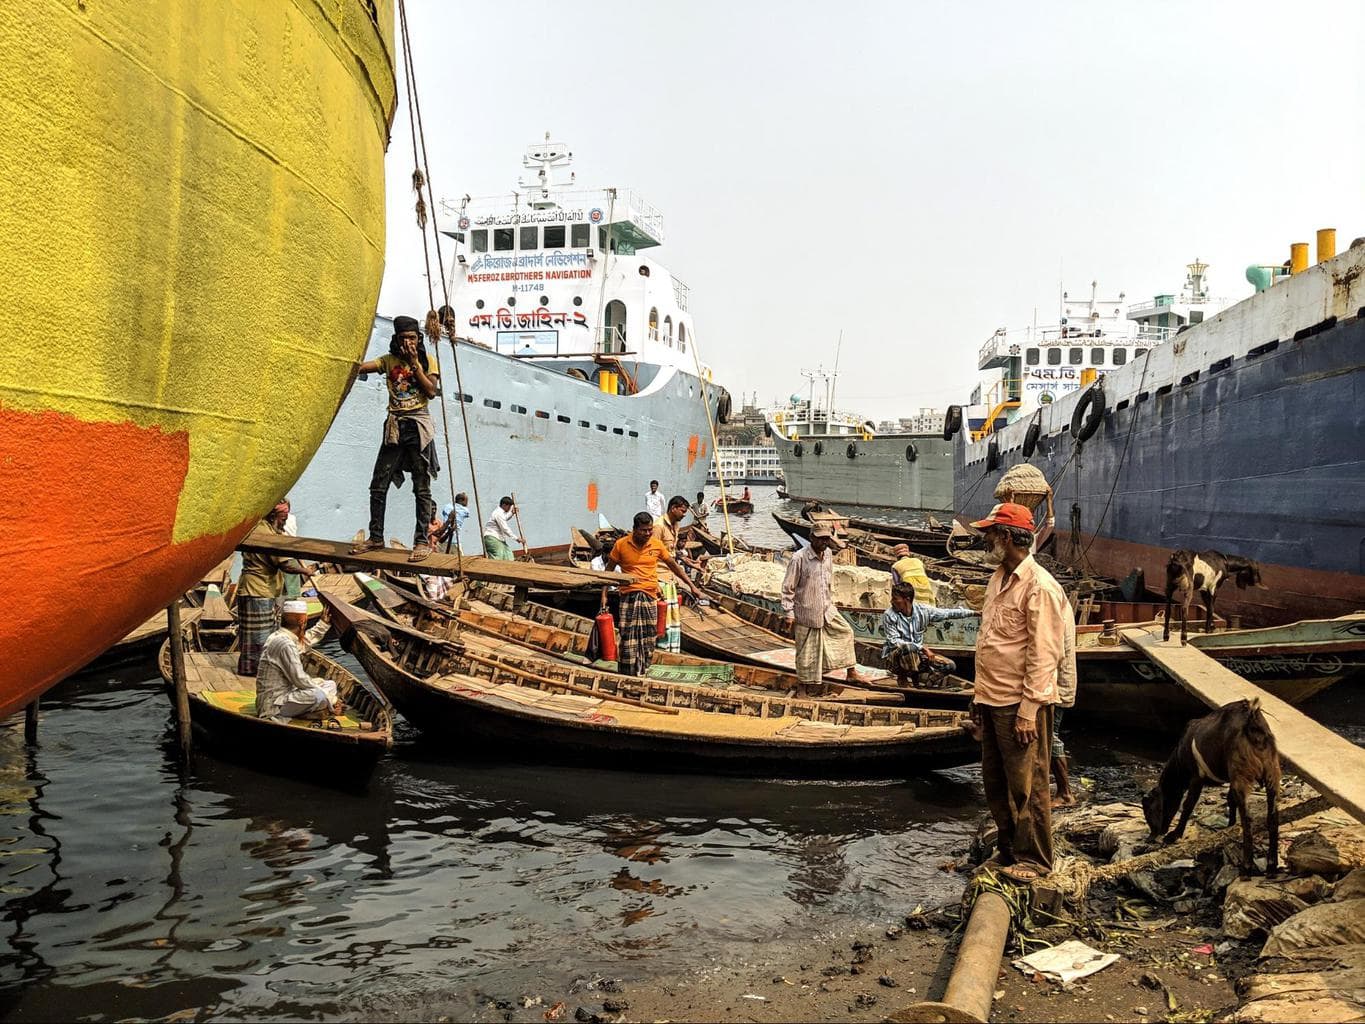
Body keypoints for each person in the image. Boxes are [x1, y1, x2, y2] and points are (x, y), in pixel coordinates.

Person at [969, 502, 1069, 882]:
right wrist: (977, 697)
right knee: (997, 783)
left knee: (1030, 786)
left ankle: (1037, 860)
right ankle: (1009, 850)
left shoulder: (1040, 587)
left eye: (990, 534)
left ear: (1007, 537)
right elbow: (990, 641)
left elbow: (1045, 654)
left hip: (1018, 704)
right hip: (991, 698)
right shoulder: (998, 578)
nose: (986, 540)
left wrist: (1029, 709)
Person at [350, 314, 441, 563]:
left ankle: (421, 541)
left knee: (422, 488)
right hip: (395, 428)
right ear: (397, 340)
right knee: (378, 484)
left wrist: (414, 364)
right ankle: (376, 536)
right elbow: (360, 367)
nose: (408, 343)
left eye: (412, 338)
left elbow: (431, 391)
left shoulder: (427, 360)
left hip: (418, 427)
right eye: (403, 339)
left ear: (418, 339)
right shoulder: (389, 361)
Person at [604, 512, 700, 676]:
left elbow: (673, 565)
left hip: (650, 595)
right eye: (644, 530)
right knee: (628, 637)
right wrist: (603, 597)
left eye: (650, 530)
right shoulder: (621, 545)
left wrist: (692, 587)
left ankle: (644, 669)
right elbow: (609, 572)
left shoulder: (656, 544)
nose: (648, 533)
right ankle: (627, 673)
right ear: (635, 529)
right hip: (629, 596)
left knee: (649, 637)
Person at [236, 502, 318, 676]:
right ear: (273, 516)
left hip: (254, 589)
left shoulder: (258, 528)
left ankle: (249, 668)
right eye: (282, 519)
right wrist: (305, 570)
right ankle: (258, 671)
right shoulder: (267, 535)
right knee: (261, 637)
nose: (284, 523)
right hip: (258, 590)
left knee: (252, 635)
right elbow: (285, 564)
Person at [781, 525, 866, 691]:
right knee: (806, 653)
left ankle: (851, 672)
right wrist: (789, 614)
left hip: (826, 608)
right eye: (820, 538)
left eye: (827, 538)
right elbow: (788, 588)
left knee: (846, 632)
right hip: (807, 611)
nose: (824, 542)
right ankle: (803, 688)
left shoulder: (828, 554)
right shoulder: (799, 558)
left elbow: (827, 580)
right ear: (811, 537)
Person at [255, 600, 345, 722]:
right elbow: (300, 680)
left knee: (330, 685)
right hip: (273, 704)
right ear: (302, 622)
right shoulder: (284, 644)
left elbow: (304, 642)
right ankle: (316, 709)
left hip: (288, 693)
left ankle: (316, 708)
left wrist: (323, 624)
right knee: (319, 695)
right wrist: (331, 698)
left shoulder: (281, 636)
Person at [881, 584, 977, 688]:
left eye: (895, 599)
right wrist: (921, 647)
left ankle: (928, 684)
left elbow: (947, 613)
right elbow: (894, 641)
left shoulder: (923, 611)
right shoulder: (889, 615)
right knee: (909, 648)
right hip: (895, 660)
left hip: (917, 656)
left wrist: (974, 612)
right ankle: (903, 678)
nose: (891, 601)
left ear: (907, 599)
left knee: (949, 665)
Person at [652, 496, 692, 653]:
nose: (684, 515)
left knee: (672, 619)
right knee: (661, 620)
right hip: (659, 578)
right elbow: (651, 556)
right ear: (673, 508)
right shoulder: (658, 527)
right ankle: (659, 651)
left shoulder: (676, 526)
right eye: (682, 511)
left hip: (669, 578)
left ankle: (670, 651)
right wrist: (654, 582)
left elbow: (672, 555)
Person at [1051, 608, 1078, 807]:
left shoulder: (1049, 596)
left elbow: (1053, 651)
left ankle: (1065, 793)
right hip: (1055, 682)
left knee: (1050, 736)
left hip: (1054, 684)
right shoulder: (1058, 598)